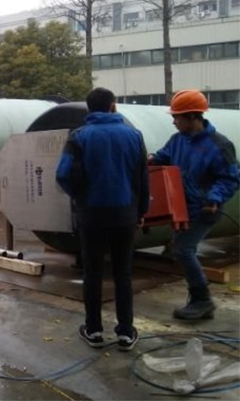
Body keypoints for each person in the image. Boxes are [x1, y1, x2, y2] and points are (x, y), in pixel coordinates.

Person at [56, 87, 149, 351]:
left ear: (89, 108)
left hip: (92, 216)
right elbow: (142, 178)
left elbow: (63, 174)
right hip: (125, 215)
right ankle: (126, 333)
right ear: (113, 106)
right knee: (123, 273)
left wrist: (80, 197)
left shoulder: (79, 137)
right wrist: (141, 211)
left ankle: (94, 330)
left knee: (93, 273)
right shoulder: (134, 135)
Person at [148, 89, 239, 320]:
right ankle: (199, 300)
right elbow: (163, 157)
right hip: (183, 207)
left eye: (176, 117)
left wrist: (214, 198)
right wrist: (150, 160)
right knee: (181, 250)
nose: (173, 121)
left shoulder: (219, 145)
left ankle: (202, 300)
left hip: (206, 208)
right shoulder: (177, 140)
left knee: (183, 250)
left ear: (191, 117)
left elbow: (229, 178)